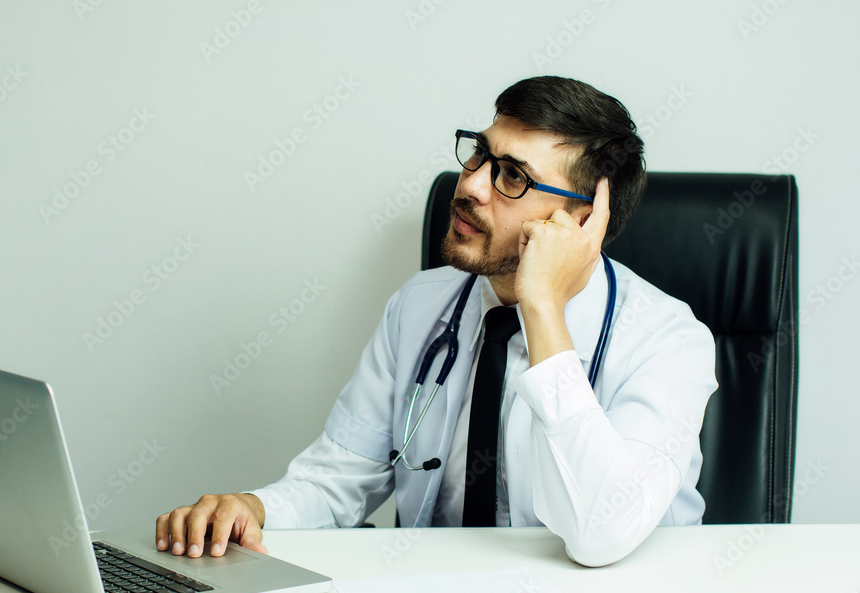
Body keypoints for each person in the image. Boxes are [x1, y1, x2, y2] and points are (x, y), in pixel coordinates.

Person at [155, 76, 717, 567]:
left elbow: (601, 535)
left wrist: (542, 307)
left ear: (583, 218)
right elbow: (337, 482)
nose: (470, 185)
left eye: (513, 177)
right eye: (479, 154)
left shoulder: (669, 342)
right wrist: (253, 509)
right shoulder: (420, 308)